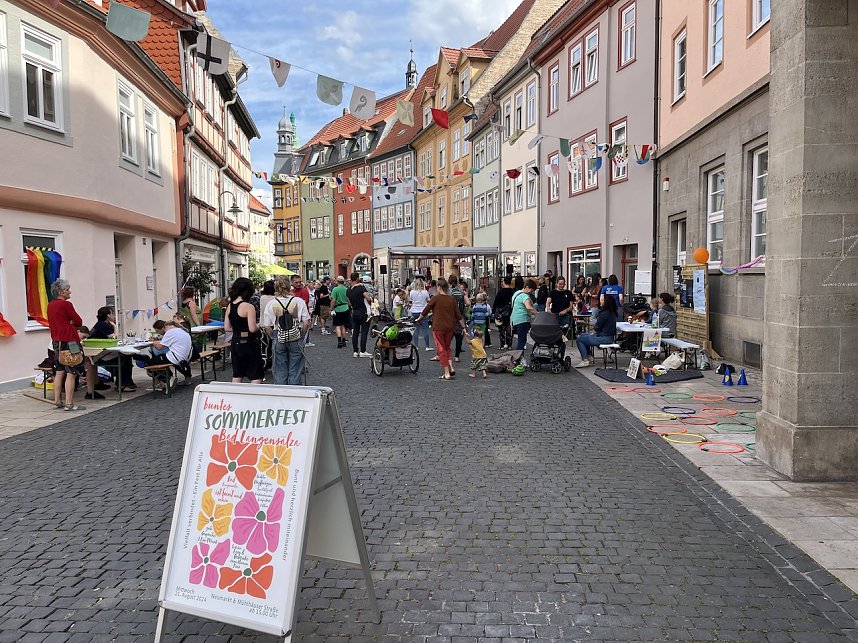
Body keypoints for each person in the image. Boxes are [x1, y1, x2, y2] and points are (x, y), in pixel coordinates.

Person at [262, 276, 310, 385]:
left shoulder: (271, 304)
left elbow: (267, 327)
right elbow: (306, 322)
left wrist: (273, 337)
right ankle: (295, 392)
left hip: (278, 336)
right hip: (295, 335)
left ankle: (282, 394)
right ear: (289, 286)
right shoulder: (299, 301)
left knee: (279, 369)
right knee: (296, 368)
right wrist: (302, 335)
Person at [47, 279, 87, 411]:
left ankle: (58, 400)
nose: (69, 291)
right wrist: (70, 322)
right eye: (67, 289)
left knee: (59, 371)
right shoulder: (66, 305)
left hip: (56, 341)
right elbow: (78, 321)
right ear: (61, 292)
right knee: (72, 372)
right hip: (70, 341)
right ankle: (69, 403)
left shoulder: (50, 305)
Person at [414, 278, 466, 380]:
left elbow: (426, 310)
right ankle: (451, 367)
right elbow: (458, 315)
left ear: (439, 287)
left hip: (438, 327)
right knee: (447, 348)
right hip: (450, 327)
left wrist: (418, 318)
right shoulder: (451, 299)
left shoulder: (435, 298)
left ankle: (446, 372)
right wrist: (464, 327)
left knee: (441, 349)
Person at [224, 277, 264, 384]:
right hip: (249, 343)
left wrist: (237, 329)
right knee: (256, 375)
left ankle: (235, 399)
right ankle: (252, 399)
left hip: (235, 343)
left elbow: (227, 328)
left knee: (237, 374)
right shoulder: (248, 307)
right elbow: (252, 328)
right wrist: (259, 325)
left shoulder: (230, 306)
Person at [90, 306, 135, 393]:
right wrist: (114, 325)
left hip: (103, 352)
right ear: (108, 315)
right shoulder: (103, 325)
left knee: (127, 356)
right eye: (112, 313)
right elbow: (114, 337)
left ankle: (127, 382)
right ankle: (122, 385)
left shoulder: (102, 324)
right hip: (99, 354)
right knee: (124, 358)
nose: (114, 315)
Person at [575, 292, 618, 367]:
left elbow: (597, 327)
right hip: (609, 337)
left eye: (602, 300)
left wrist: (594, 332)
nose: (600, 302)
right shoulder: (612, 313)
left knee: (580, 339)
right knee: (583, 335)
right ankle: (589, 357)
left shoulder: (604, 314)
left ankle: (585, 359)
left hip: (603, 338)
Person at [347, 271, 373, 358]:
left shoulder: (349, 290)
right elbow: (368, 298)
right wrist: (370, 302)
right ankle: (363, 351)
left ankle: (355, 351)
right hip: (363, 312)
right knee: (364, 332)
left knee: (355, 332)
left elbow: (349, 302)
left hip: (354, 312)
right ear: (358, 278)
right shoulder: (362, 288)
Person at [511, 278, 538, 352]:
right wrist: (538, 313)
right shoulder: (525, 296)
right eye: (531, 290)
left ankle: (518, 357)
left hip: (514, 320)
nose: (531, 292)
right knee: (521, 341)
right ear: (527, 287)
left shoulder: (516, 293)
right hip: (523, 320)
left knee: (520, 339)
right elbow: (528, 307)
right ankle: (518, 358)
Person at [447, 275, 470, 363]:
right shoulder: (461, 292)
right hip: (460, 317)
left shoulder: (448, 292)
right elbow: (468, 303)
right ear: (457, 282)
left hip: (450, 317)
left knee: (448, 337)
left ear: (449, 282)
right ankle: (457, 356)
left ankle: (446, 354)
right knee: (459, 337)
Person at [407, 278, 432, 350]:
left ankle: (416, 346)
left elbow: (410, 301)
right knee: (425, 329)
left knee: (415, 329)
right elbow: (429, 300)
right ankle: (427, 346)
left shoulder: (412, 292)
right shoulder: (425, 292)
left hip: (414, 311)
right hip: (423, 312)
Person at [492, 276, 515, 349]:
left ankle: (502, 345)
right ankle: (509, 344)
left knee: (501, 329)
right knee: (509, 328)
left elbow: (496, 302)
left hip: (501, 312)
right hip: (510, 312)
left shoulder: (500, 292)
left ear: (504, 282)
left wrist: (493, 311)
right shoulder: (512, 292)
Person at [330, 275, 352, 348]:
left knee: (338, 325)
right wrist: (349, 306)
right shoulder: (346, 289)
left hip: (337, 308)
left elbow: (333, 300)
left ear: (337, 281)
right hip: (345, 308)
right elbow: (348, 299)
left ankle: (339, 341)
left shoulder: (335, 289)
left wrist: (331, 308)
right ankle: (344, 340)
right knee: (343, 325)